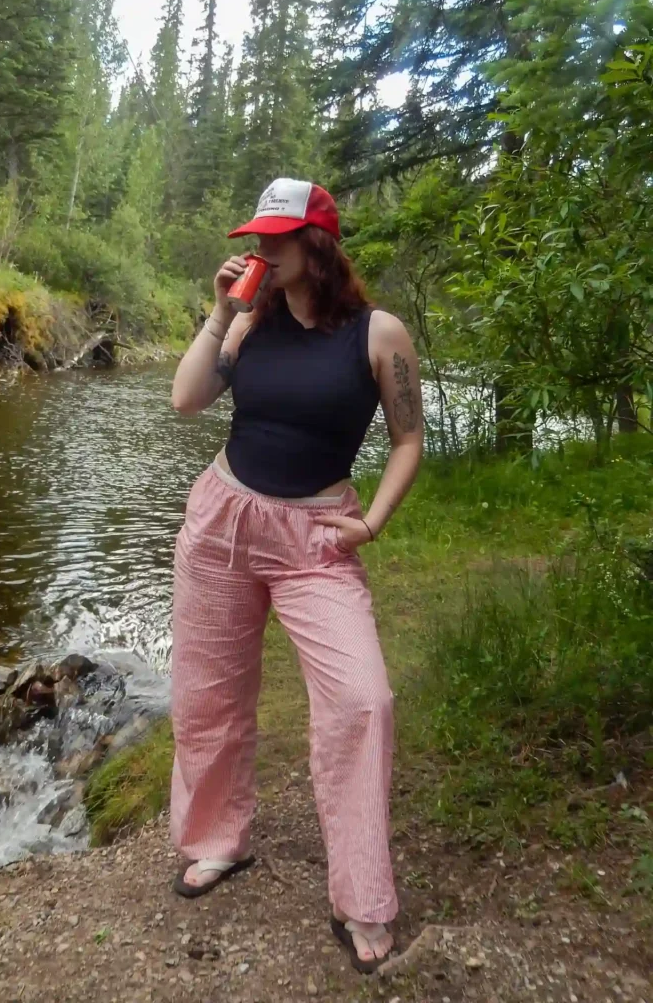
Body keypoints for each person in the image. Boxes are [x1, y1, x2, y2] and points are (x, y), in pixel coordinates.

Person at [169, 178, 424, 974]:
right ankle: (218, 841)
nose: (259, 249)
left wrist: (373, 520)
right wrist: (219, 312)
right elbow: (185, 400)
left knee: (362, 700)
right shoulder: (250, 319)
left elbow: (410, 439)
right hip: (222, 521)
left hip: (317, 535)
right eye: (256, 237)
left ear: (317, 245)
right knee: (208, 693)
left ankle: (363, 897)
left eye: (275, 239)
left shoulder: (378, 335)